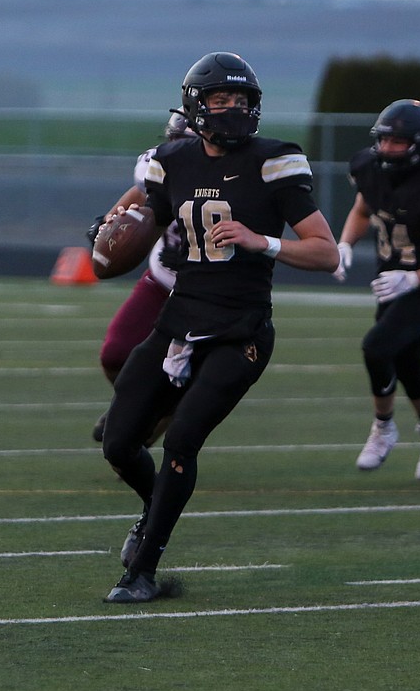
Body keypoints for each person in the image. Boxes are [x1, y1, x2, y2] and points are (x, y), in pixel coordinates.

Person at [100, 52, 339, 603]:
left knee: (182, 438)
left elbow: (326, 253)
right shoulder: (172, 160)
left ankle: (142, 571)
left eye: (241, 100)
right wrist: (109, 224)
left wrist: (266, 242)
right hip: (180, 320)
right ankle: (153, 510)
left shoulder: (275, 161)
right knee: (117, 443)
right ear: (196, 106)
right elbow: (143, 205)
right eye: (219, 100)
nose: (231, 109)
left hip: (242, 330)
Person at [332, 99, 420, 479]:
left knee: (376, 347)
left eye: (398, 142)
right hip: (390, 284)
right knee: (406, 364)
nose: (388, 149)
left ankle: (383, 427)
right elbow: (363, 209)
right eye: (384, 140)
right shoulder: (369, 167)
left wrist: (413, 278)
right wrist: (345, 243)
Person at [88, 112, 194, 445]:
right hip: (163, 277)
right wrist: (110, 222)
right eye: (174, 141)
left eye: (186, 143)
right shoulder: (158, 165)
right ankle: (143, 405)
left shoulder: (236, 175)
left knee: (129, 452)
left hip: (209, 290)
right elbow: (141, 192)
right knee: (115, 355)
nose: (176, 149)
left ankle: (160, 411)